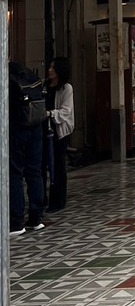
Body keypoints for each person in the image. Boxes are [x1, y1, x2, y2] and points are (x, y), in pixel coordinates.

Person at [9, 60, 47, 235]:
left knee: (15, 174)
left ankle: (16, 222)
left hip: (17, 129)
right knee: (34, 172)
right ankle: (36, 217)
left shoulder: (9, 79)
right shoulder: (30, 75)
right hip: (36, 128)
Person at [45, 58, 75, 213]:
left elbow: (66, 111)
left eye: (53, 68)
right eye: (50, 67)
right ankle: (44, 199)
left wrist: (50, 114)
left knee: (58, 165)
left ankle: (58, 200)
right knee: (44, 165)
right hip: (45, 131)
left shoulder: (66, 88)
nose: (50, 70)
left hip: (59, 132)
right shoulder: (45, 86)